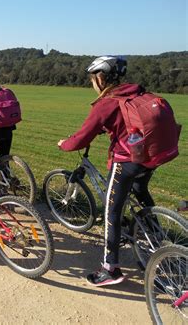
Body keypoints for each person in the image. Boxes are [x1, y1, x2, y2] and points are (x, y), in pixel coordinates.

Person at [58, 56, 156, 286]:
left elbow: (81, 138)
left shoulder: (107, 102)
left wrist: (65, 144)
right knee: (141, 193)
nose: (93, 84)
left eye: (93, 79)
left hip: (127, 160)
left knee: (112, 212)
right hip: (150, 156)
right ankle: (158, 236)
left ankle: (110, 269)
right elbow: (126, 121)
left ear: (100, 78)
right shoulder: (135, 93)